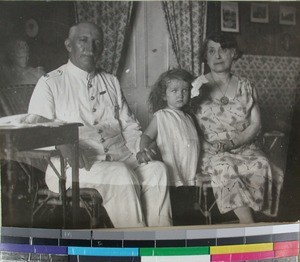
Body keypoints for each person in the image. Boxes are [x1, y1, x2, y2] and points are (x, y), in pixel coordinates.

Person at [28, 22, 172, 228]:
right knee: (120, 174)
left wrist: (140, 148)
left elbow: (128, 125)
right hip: (74, 167)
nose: (91, 47)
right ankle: (136, 244)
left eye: (97, 42)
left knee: (157, 170)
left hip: (121, 157)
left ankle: (164, 243)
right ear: (69, 45)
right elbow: (33, 133)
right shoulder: (51, 83)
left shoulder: (111, 81)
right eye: (83, 40)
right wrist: (61, 143)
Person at [191, 32, 284, 223]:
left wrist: (233, 142)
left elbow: (256, 123)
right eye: (211, 51)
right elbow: (185, 121)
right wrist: (213, 146)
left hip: (244, 147)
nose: (217, 56)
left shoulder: (246, 85)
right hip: (211, 151)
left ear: (233, 53)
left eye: (223, 50)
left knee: (262, 164)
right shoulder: (196, 86)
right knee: (226, 167)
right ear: (205, 56)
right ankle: (248, 224)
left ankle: (252, 218)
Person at [137, 69, 200, 225]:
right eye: (174, 91)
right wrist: (144, 149)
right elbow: (146, 136)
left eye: (185, 90)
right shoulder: (162, 116)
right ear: (164, 95)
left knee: (189, 207)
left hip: (189, 168)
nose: (180, 94)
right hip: (173, 170)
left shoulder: (189, 117)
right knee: (175, 206)